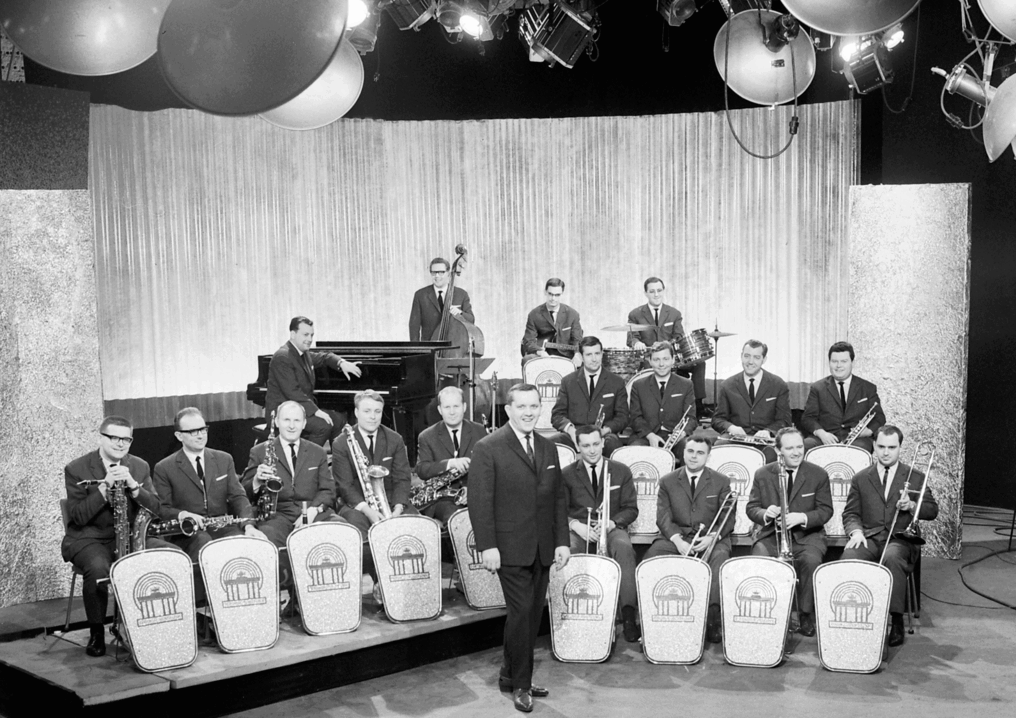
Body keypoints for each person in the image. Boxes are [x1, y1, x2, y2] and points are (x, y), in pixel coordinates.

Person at [468, 383, 570, 713]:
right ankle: (522, 685)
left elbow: (558, 499)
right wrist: (488, 547)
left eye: (533, 406)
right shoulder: (488, 447)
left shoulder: (548, 447)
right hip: (508, 548)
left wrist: (562, 542)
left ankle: (508, 674)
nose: (528, 412)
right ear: (508, 409)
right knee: (523, 614)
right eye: (521, 406)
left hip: (542, 546)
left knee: (525, 615)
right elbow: (479, 503)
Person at [61, 416, 165, 657]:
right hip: (90, 537)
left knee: (170, 554)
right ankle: (97, 631)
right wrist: (103, 488)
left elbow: (156, 507)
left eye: (126, 439)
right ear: (102, 437)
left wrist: (134, 486)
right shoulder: (76, 468)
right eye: (114, 438)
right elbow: (77, 516)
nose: (120, 444)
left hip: (129, 534)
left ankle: (152, 623)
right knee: (98, 568)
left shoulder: (139, 466)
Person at [841, 425, 938, 647]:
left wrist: (912, 505)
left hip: (901, 539)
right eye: (881, 446)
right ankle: (850, 619)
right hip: (870, 538)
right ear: (874, 446)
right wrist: (855, 531)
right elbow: (850, 513)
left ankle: (896, 621)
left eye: (892, 447)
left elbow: (932, 511)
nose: (886, 452)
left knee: (892, 558)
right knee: (848, 558)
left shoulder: (915, 477)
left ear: (900, 448)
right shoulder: (860, 478)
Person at [643, 435, 733, 644]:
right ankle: (649, 619)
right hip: (677, 536)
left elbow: (728, 518)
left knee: (719, 560)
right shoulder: (667, 481)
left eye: (700, 453)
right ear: (683, 453)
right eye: (690, 451)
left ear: (708, 456)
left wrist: (712, 537)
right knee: (651, 559)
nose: (694, 456)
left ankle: (712, 621)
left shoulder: (722, 481)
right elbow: (663, 517)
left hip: (710, 538)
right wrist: (677, 540)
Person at [745, 427, 833, 637]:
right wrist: (766, 513)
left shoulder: (818, 474)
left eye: (799, 447)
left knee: (811, 562)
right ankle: (768, 614)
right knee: (761, 560)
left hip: (807, 536)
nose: (796, 452)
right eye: (790, 448)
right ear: (778, 451)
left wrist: (802, 518)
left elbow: (826, 510)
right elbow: (751, 508)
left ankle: (805, 614)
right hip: (771, 535)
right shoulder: (763, 474)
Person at [153, 407, 265, 563]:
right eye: (193, 431)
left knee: (247, 546)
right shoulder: (164, 468)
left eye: (203, 429)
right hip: (189, 533)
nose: (200, 435)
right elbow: (162, 509)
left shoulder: (224, 459)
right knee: (206, 548)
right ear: (179, 436)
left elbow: (237, 496)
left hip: (222, 527)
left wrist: (248, 526)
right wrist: (183, 515)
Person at [562, 425, 640, 641]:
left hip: (611, 527)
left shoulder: (621, 470)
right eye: (586, 446)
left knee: (624, 549)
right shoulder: (566, 474)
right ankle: (576, 616)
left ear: (603, 443)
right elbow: (558, 510)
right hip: (579, 528)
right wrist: (576, 525)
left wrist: (612, 522)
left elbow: (631, 509)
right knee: (571, 552)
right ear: (578, 447)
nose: (592, 450)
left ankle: (628, 615)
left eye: (596, 444)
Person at [241, 401, 345, 554]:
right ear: (276, 422)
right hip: (277, 515)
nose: (292, 426)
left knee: (343, 530)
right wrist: (257, 479)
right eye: (286, 420)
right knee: (267, 541)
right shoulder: (259, 451)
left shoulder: (318, 452)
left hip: (313, 510)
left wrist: (313, 510)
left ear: (304, 424)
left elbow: (328, 490)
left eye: (297, 420)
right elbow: (243, 493)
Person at [265, 315, 362, 447]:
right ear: (293, 334)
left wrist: (341, 363)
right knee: (323, 426)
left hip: (300, 408)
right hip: (283, 414)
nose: (310, 339)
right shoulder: (283, 357)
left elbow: (325, 357)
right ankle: (305, 460)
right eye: (305, 335)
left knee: (339, 420)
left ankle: (338, 462)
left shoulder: (302, 353)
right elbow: (293, 392)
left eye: (312, 335)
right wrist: (316, 411)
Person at [331, 390, 415, 535]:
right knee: (356, 529)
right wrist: (368, 511)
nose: (373, 417)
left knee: (416, 524)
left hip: (391, 501)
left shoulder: (395, 439)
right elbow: (345, 486)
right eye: (367, 411)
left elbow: (402, 478)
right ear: (356, 412)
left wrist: (398, 508)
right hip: (357, 504)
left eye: (377, 411)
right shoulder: (341, 443)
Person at [626, 277, 708, 417]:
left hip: (671, 356)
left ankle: (698, 405)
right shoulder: (635, 314)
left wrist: (666, 345)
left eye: (659, 290)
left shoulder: (674, 313)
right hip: (649, 359)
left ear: (663, 291)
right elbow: (631, 338)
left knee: (700, 363)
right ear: (646, 293)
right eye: (652, 291)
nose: (656, 294)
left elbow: (678, 336)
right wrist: (637, 343)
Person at [414, 386, 487, 526]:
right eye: (447, 407)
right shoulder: (427, 436)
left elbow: (486, 469)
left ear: (464, 407)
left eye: (456, 406)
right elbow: (422, 470)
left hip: (475, 494)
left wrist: (471, 489)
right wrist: (449, 464)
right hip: (441, 499)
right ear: (440, 410)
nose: (452, 412)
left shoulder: (479, 431)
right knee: (458, 521)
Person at [711, 339, 792, 462]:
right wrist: (731, 427)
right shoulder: (727, 385)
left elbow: (784, 420)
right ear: (741, 356)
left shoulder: (778, 385)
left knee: (772, 455)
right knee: (719, 449)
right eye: (747, 356)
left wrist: (768, 431)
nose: (750, 361)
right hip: (735, 437)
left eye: (756, 357)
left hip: (766, 441)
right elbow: (717, 419)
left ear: (764, 360)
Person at [550, 336, 630, 456]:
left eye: (597, 353)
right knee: (550, 444)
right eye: (589, 355)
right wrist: (571, 431)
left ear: (602, 354)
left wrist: (605, 430)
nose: (594, 359)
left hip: (603, 434)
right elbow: (557, 415)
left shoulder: (616, 382)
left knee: (613, 443)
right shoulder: (568, 381)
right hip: (575, 434)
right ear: (581, 357)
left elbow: (623, 417)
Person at [801, 341, 886, 453]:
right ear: (829, 363)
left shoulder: (867, 388)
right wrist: (822, 434)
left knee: (859, 452)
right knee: (805, 446)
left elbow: (879, 417)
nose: (838, 365)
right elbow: (808, 418)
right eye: (834, 361)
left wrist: (868, 431)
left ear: (852, 362)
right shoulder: (817, 388)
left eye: (844, 361)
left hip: (857, 439)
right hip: (825, 437)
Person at [629, 341, 698, 461]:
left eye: (666, 359)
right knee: (634, 452)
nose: (661, 364)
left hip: (676, 438)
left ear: (673, 360)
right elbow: (635, 418)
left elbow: (691, 418)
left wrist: (681, 434)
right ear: (649, 361)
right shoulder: (638, 385)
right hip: (646, 436)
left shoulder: (686, 384)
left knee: (691, 451)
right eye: (656, 360)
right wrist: (650, 436)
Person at [409, 257, 475, 342]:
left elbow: (471, 320)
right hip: (429, 348)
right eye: (434, 272)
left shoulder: (461, 294)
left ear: (448, 273)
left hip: (455, 346)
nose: (437, 276)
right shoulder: (420, 295)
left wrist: (460, 313)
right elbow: (414, 326)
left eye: (441, 272)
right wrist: (417, 350)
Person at [521, 278, 583, 365]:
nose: (553, 298)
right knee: (527, 359)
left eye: (557, 295)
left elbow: (577, 340)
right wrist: (540, 352)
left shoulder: (573, 314)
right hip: (542, 356)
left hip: (566, 356)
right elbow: (528, 341)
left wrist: (577, 354)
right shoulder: (534, 314)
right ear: (545, 292)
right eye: (550, 294)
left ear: (562, 294)